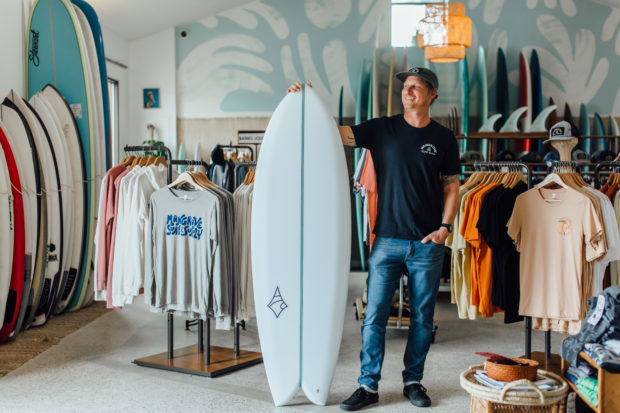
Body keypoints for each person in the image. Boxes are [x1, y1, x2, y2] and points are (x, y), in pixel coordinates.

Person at [287, 66, 460, 410]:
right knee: (374, 317)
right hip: (386, 241)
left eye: (416, 86)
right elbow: (336, 133)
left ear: (432, 94)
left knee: (423, 319)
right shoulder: (383, 129)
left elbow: (452, 185)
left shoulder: (443, 138)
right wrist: (305, 102)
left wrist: (445, 228)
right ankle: (368, 386)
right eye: (406, 86)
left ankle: (413, 381)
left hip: (427, 243)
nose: (408, 90)